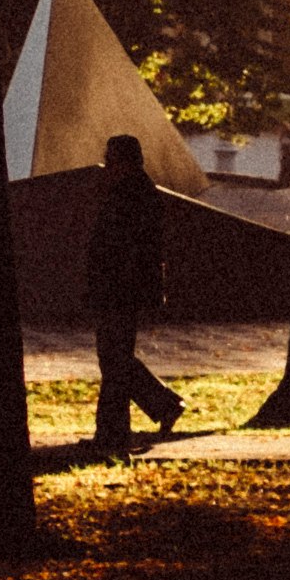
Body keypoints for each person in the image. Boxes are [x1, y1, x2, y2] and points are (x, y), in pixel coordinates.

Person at [84, 134, 187, 448]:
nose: (106, 164)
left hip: (120, 289)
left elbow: (123, 248)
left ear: (124, 161)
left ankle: (113, 433)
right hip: (122, 288)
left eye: (111, 158)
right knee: (116, 358)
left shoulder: (131, 195)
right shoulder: (137, 191)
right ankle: (158, 407)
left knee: (114, 359)